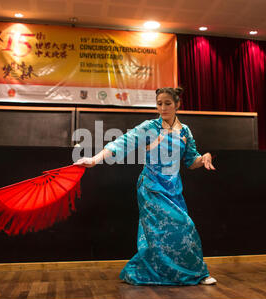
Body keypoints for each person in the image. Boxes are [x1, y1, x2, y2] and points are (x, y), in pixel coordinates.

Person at [74, 87, 217, 285]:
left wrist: (204, 158)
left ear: (177, 105)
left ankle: (191, 273)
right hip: (151, 187)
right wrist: (94, 159)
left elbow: (191, 161)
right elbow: (122, 143)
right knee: (171, 230)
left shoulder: (185, 131)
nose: (163, 107)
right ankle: (189, 273)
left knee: (178, 231)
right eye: (159, 103)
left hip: (174, 189)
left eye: (168, 103)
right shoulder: (149, 127)